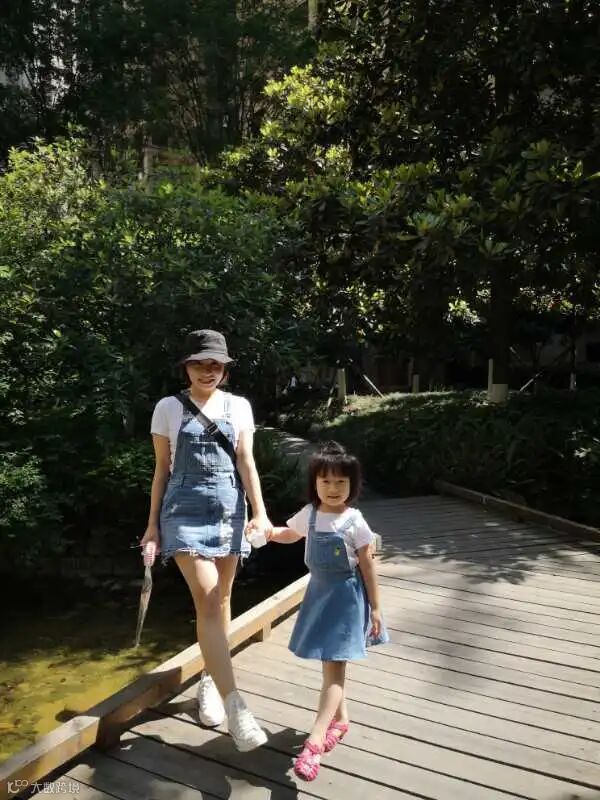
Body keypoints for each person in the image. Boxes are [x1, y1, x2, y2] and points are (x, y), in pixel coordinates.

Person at [140, 329, 271, 751]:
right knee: (210, 597)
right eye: (199, 363)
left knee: (223, 598)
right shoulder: (167, 408)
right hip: (182, 511)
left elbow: (246, 461)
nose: (207, 371)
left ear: (225, 370)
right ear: (187, 367)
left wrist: (260, 512)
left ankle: (210, 682)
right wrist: (152, 525)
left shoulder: (239, 406)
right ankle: (237, 707)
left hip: (229, 508)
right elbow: (162, 470)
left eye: (215, 364)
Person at [265, 441, 389, 780]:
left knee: (335, 668)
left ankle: (315, 741)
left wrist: (376, 608)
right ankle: (341, 720)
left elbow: (368, 566)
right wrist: (268, 533)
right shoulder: (311, 514)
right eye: (326, 481)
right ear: (314, 483)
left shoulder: (354, 521)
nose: (333, 488)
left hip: (346, 600)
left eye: (341, 482)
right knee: (329, 666)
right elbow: (290, 534)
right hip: (319, 595)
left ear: (353, 484)